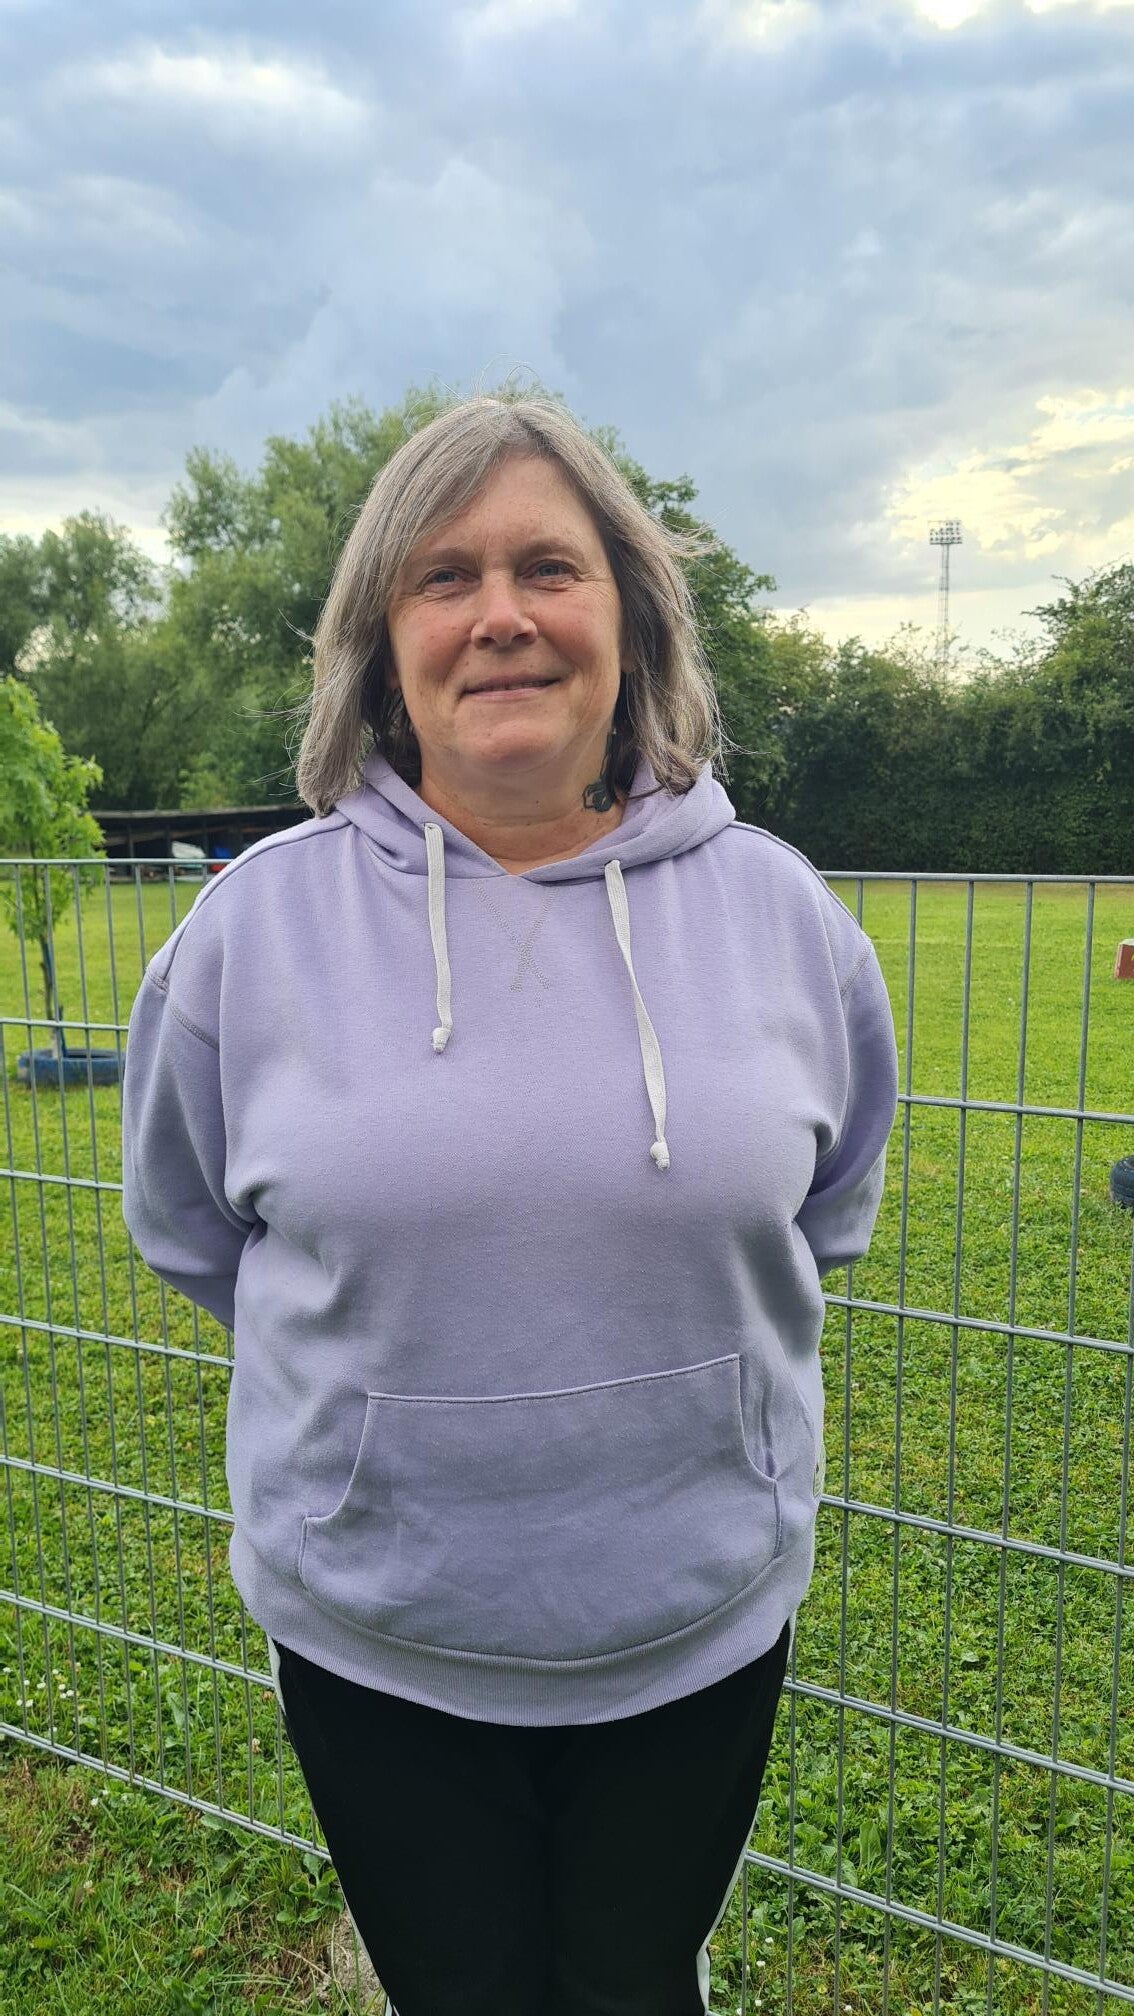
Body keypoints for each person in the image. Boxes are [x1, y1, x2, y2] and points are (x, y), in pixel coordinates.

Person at [120, 395, 899, 2016]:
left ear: (630, 615)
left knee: (633, 1987)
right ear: (377, 638)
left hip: (694, 1619)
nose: (500, 616)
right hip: (376, 1630)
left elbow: (820, 1218)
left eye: (549, 567)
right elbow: (190, 1227)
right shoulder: (247, 936)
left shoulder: (785, 917)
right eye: (443, 576)